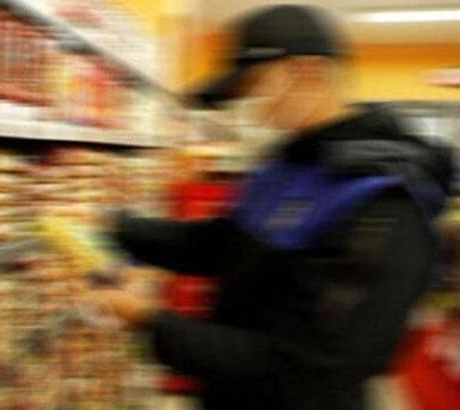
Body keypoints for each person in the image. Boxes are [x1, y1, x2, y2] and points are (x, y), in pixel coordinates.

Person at [91, 4, 454, 410]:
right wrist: (114, 226)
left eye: (255, 86)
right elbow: (222, 246)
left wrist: (149, 320)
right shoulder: (288, 164)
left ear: (308, 72)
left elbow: (305, 372)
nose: (253, 107)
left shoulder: (383, 203)